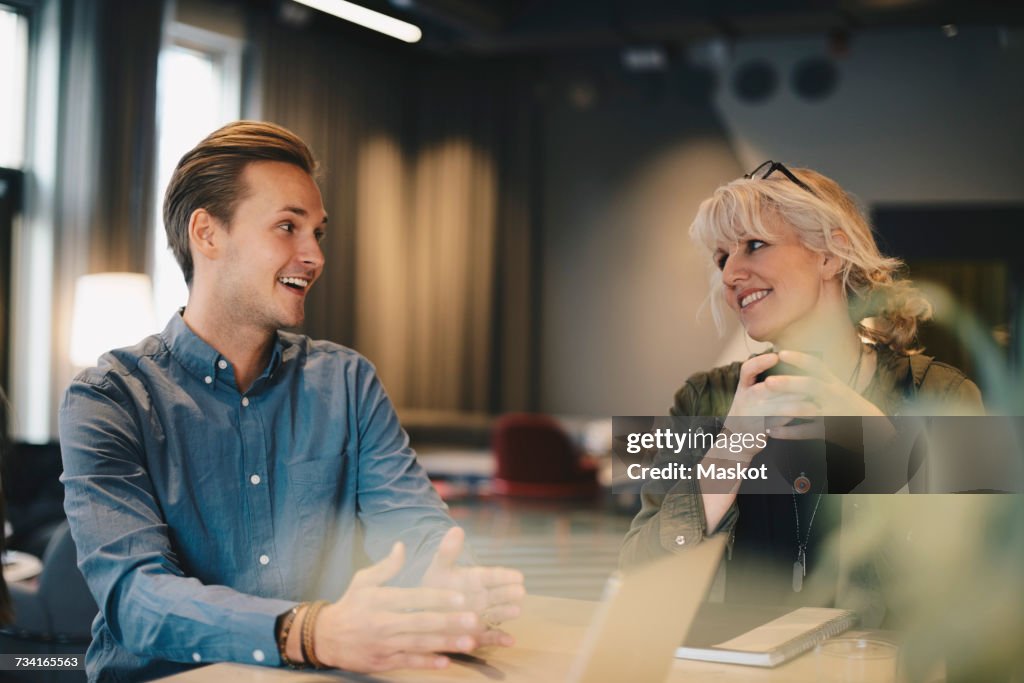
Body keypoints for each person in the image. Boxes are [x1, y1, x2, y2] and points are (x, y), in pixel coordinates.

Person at [60, 121, 524, 681]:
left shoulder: (347, 382)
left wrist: (446, 579)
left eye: (318, 234)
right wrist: (307, 631)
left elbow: (416, 529)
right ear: (207, 234)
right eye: (287, 227)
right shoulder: (108, 399)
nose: (314, 256)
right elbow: (137, 598)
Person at [620, 161, 983, 615]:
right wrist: (729, 453)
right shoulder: (702, 399)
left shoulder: (943, 395)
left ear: (830, 254)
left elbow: (982, 582)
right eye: (722, 258)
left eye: (754, 245)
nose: (730, 274)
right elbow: (639, 577)